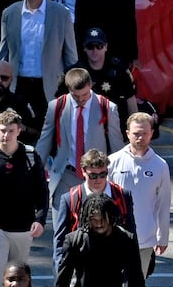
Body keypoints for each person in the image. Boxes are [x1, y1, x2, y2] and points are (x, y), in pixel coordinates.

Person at [108, 114, 171, 287]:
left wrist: (162, 235)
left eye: (144, 132)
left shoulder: (160, 165)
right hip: (114, 239)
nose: (140, 137)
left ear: (151, 133)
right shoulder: (113, 162)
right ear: (127, 132)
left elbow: (164, 203)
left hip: (143, 240)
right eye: (135, 132)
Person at [0, 110, 49, 285]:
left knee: (19, 276)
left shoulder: (30, 156)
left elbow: (42, 191)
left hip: (23, 227)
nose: (6, 135)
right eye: (2, 130)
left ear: (19, 130)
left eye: (11, 131)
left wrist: (40, 219)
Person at [0, 0, 78, 123]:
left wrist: (74, 86)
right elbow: (3, 53)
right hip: (19, 85)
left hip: (49, 86)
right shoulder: (9, 13)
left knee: (48, 133)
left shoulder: (61, 14)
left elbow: (71, 55)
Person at [37, 68, 125, 204]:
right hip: (65, 174)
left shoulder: (107, 107)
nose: (80, 100)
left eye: (84, 95)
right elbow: (45, 141)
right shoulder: (56, 107)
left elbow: (117, 146)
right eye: (75, 96)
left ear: (90, 85)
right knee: (61, 223)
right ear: (69, 89)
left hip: (96, 176)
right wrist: (34, 171)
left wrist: (119, 179)